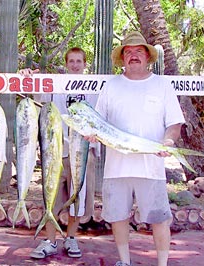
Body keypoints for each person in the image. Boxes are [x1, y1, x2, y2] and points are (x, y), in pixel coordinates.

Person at [85, 31, 185, 266]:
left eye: (138, 51)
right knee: (118, 217)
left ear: (148, 56)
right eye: (128, 52)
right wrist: (92, 134)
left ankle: (162, 263)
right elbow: (97, 122)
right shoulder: (111, 86)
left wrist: (168, 141)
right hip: (115, 169)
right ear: (122, 58)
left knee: (160, 219)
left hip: (152, 169)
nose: (133, 55)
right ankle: (125, 262)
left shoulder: (163, 85)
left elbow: (175, 124)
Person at [19, 47, 99, 259]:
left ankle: (71, 238)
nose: (75, 65)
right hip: (56, 151)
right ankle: (50, 240)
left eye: (79, 61)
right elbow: (36, 93)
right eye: (71, 61)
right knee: (51, 198)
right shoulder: (54, 85)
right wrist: (27, 77)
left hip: (82, 151)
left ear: (84, 64)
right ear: (66, 64)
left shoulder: (95, 87)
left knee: (78, 197)